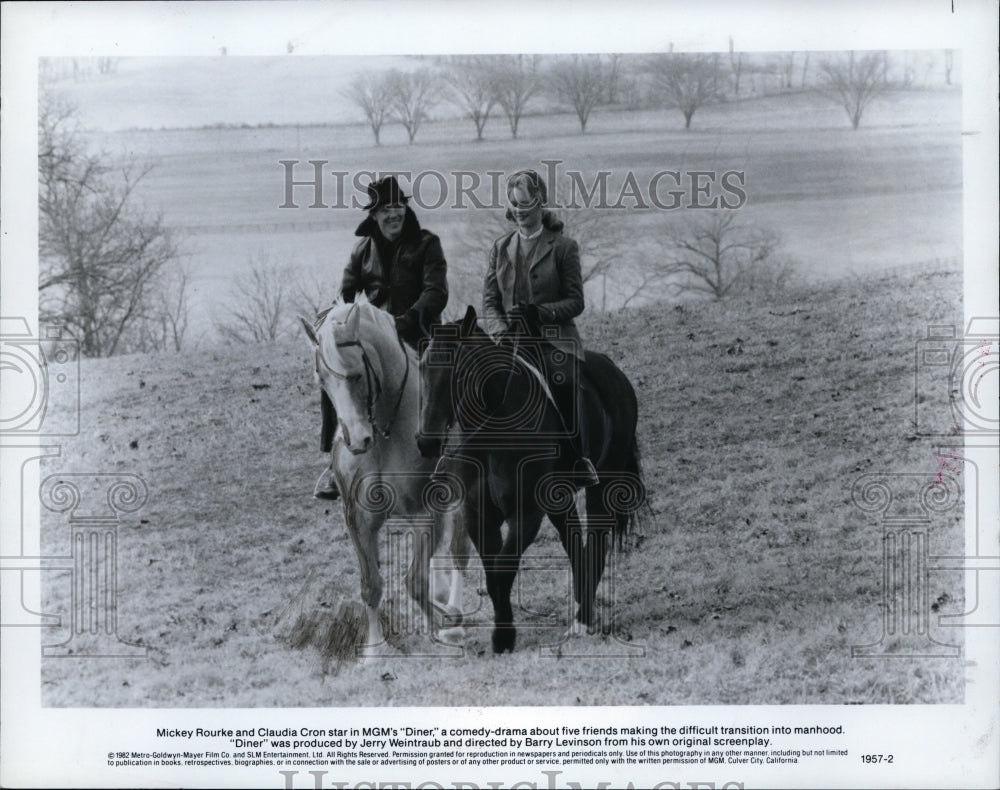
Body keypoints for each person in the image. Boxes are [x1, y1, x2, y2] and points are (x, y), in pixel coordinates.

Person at [314, 175, 448, 499]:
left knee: (442, 376)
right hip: (374, 342)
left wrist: (408, 319)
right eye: (386, 209)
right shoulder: (362, 249)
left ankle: (447, 457)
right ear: (373, 216)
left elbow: (436, 292)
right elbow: (344, 296)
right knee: (335, 373)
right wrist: (335, 324)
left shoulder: (427, 243)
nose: (394, 214)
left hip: (418, 334)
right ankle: (331, 465)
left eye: (398, 206)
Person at [481, 170, 599, 487]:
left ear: (540, 203)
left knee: (563, 381)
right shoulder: (500, 247)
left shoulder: (564, 247)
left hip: (554, 341)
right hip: (509, 342)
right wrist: (501, 331)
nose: (519, 210)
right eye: (514, 204)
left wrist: (541, 313)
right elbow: (490, 302)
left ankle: (579, 459)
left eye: (526, 203)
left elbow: (575, 301)